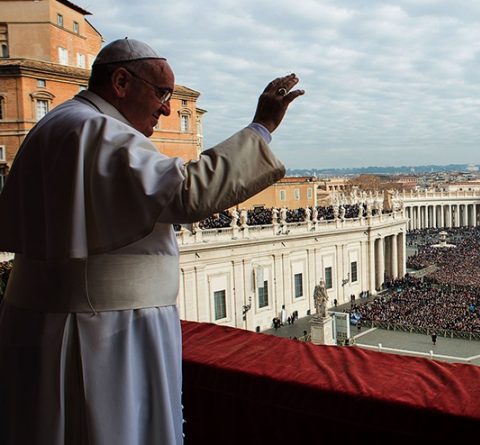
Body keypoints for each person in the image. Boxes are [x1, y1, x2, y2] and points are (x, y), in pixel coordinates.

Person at [0, 38, 303, 445]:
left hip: (57, 322)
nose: (165, 108)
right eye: (161, 94)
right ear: (121, 81)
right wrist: (260, 128)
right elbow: (185, 192)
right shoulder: (95, 128)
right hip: (103, 333)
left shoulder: (58, 123)